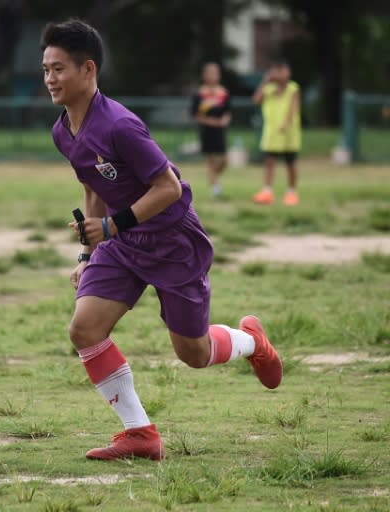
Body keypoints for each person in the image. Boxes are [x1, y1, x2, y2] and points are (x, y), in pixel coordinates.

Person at [41, 19, 282, 461]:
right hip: (123, 243)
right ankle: (140, 434)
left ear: (88, 69)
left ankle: (252, 342)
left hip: (172, 240)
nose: (50, 79)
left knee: (193, 352)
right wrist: (88, 253)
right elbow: (94, 188)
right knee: (84, 328)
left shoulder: (120, 126)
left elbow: (169, 187)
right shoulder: (63, 131)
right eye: (46, 69)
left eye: (59, 69)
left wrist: (112, 227)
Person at [251, 59, 301, 206]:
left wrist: (286, 123)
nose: (279, 74)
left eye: (282, 70)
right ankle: (267, 191)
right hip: (272, 133)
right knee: (269, 162)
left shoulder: (293, 88)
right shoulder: (268, 89)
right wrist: (264, 81)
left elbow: (293, 108)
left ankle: (291, 192)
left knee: (290, 163)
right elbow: (256, 100)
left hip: (288, 134)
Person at [190, 62, 232, 198]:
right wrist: (211, 122)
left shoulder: (223, 93)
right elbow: (195, 115)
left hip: (220, 131)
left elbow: (227, 111)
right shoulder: (199, 94)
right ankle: (216, 188)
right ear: (204, 76)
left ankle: (213, 178)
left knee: (224, 160)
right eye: (209, 73)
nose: (212, 76)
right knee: (210, 159)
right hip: (206, 131)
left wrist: (225, 119)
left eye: (215, 72)